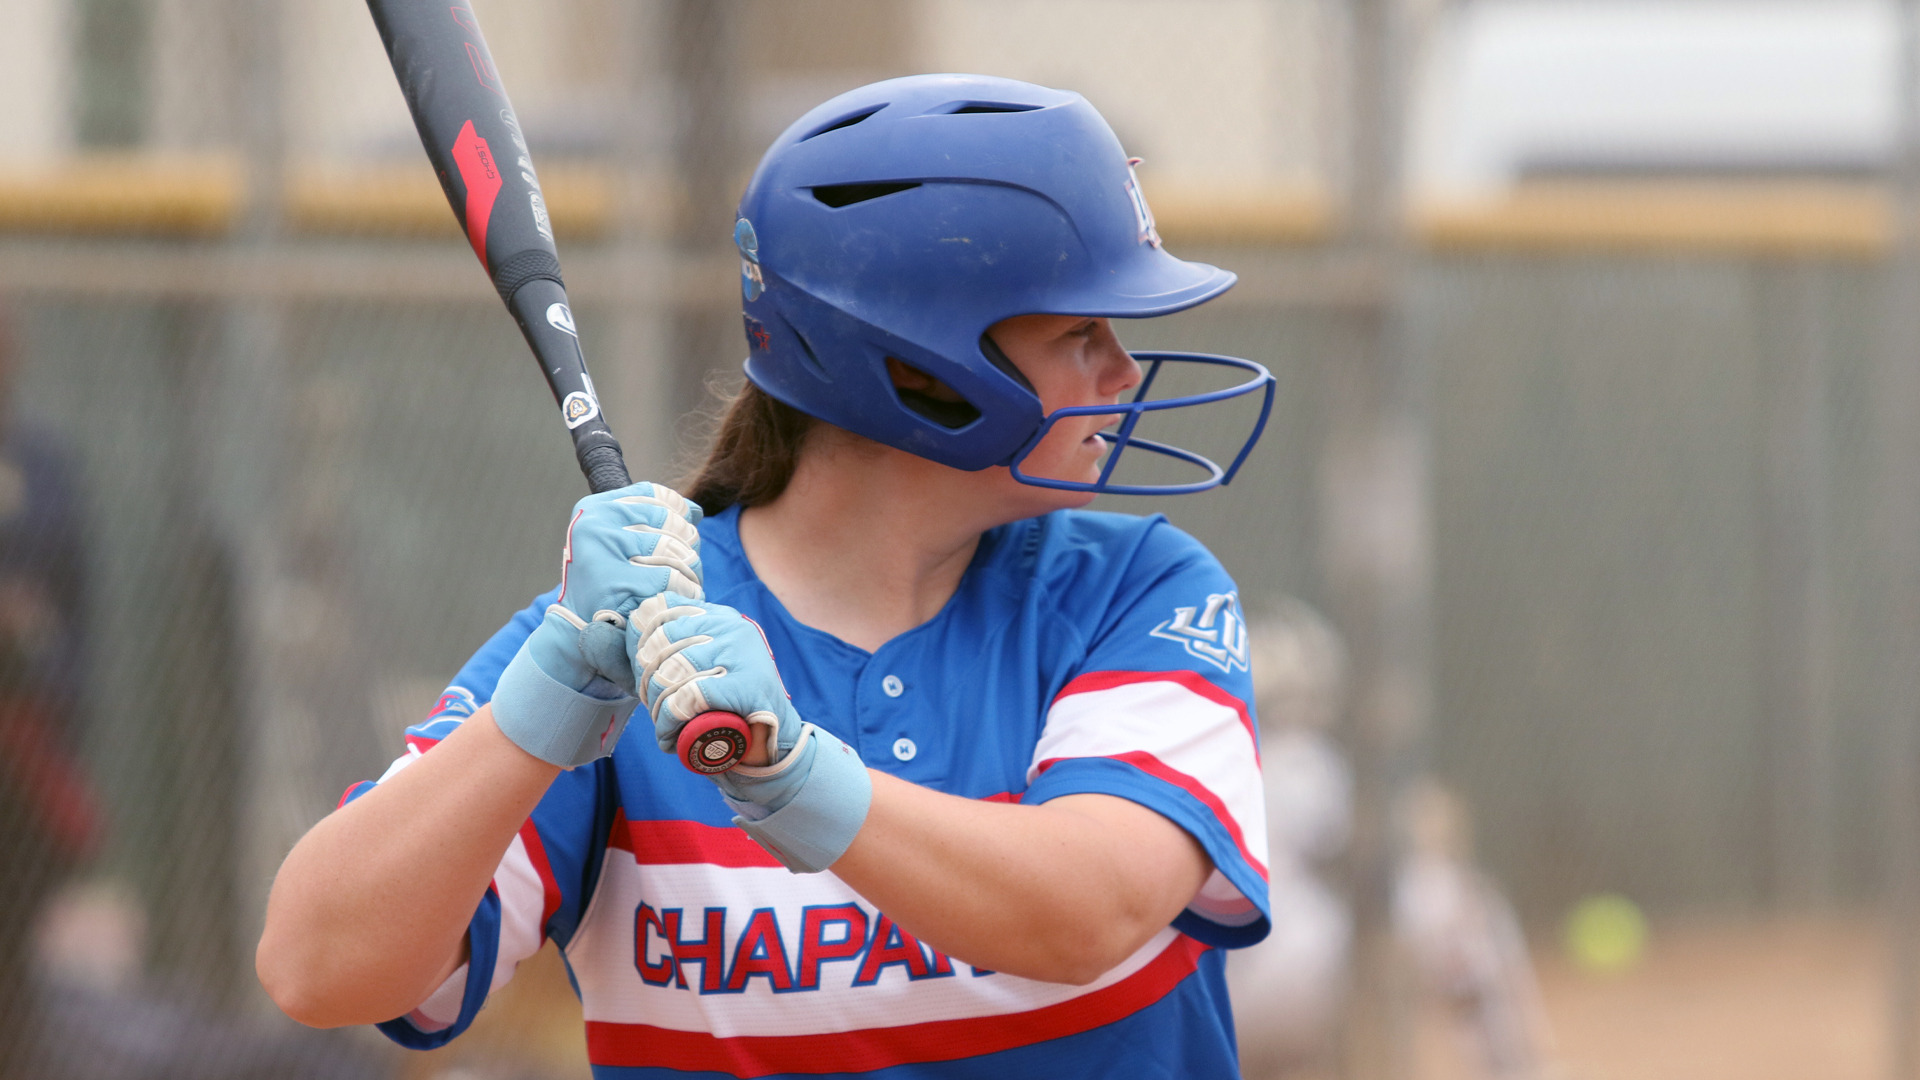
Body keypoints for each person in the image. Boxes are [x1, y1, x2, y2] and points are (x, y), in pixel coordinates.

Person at [258, 73, 1277, 1079]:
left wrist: (796, 777)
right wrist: (536, 710)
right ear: (918, 371)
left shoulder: (1136, 592)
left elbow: (1089, 910)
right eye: (1078, 334)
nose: (1123, 373)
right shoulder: (619, 644)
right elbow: (319, 969)